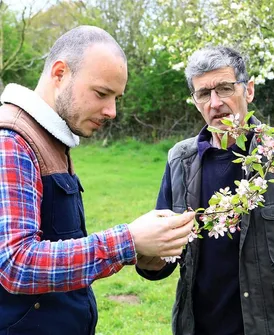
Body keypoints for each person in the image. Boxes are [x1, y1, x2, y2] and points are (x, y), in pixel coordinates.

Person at [0, 25, 195, 335]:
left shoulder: (51, 137)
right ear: (60, 74)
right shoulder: (12, 142)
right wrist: (128, 240)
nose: (112, 111)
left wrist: (145, 244)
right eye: (102, 93)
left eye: (116, 97)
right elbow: (16, 265)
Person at [136, 46, 274, 335]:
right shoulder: (180, 160)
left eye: (225, 88)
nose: (215, 103)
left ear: (249, 91)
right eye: (204, 93)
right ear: (195, 101)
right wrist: (147, 258)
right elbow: (162, 259)